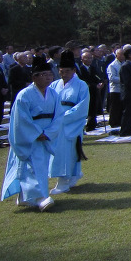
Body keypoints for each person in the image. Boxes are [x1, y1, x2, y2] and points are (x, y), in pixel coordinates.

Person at [0, 54, 63, 211]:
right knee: (31, 167)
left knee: (41, 166)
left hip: (46, 135)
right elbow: (20, 119)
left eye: (50, 74)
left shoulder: (53, 94)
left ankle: (25, 198)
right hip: (29, 137)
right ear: (34, 77)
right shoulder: (24, 95)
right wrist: (36, 133)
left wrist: (48, 133)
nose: (48, 77)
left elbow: (59, 117)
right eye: (44, 74)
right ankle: (40, 197)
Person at [49, 50, 90, 195]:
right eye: (61, 71)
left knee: (68, 151)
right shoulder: (54, 85)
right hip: (56, 123)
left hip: (71, 123)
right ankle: (71, 176)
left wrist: (64, 117)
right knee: (57, 152)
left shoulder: (81, 85)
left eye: (67, 71)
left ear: (74, 70)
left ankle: (64, 181)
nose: (64, 74)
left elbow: (82, 106)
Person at [105, 48, 124, 129]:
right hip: (115, 89)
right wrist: (123, 79)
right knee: (114, 107)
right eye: (121, 54)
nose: (123, 56)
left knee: (120, 107)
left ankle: (119, 121)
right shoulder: (112, 65)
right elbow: (112, 78)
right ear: (117, 55)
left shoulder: (124, 63)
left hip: (122, 89)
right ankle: (113, 122)